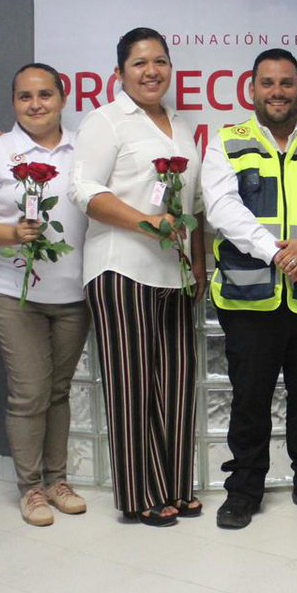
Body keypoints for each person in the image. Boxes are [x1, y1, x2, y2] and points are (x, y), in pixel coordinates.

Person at [202, 47, 297, 529]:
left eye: (286, 83)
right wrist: (277, 252)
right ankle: (244, 488)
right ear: (251, 89)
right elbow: (222, 209)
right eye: (267, 83)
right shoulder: (226, 141)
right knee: (249, 399)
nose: (277, 92)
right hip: (250, 299)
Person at [71, 28, 205, 528]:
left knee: (176, 384)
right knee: (131, 387)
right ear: (120, 72)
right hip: (119, 267)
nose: (152, 71)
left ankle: (175, 485)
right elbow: (83, 189)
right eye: (139, 63)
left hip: (173, 274)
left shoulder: (183, 126)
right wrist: (147, 223)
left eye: (160, 61)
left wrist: (198, 263)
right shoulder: (106, 121)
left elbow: (193, 206)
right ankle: (138, 493)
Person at [0, 64, 90, 527]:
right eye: (25, 96)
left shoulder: (84, 150)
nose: (36, 105)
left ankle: (57, 480)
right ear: (13, 101)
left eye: (45, 95)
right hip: (13, 292)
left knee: (57, 390)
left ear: (62, 96)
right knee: (29, 392)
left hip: (74, 293)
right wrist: (13, 234)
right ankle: (30, 487)